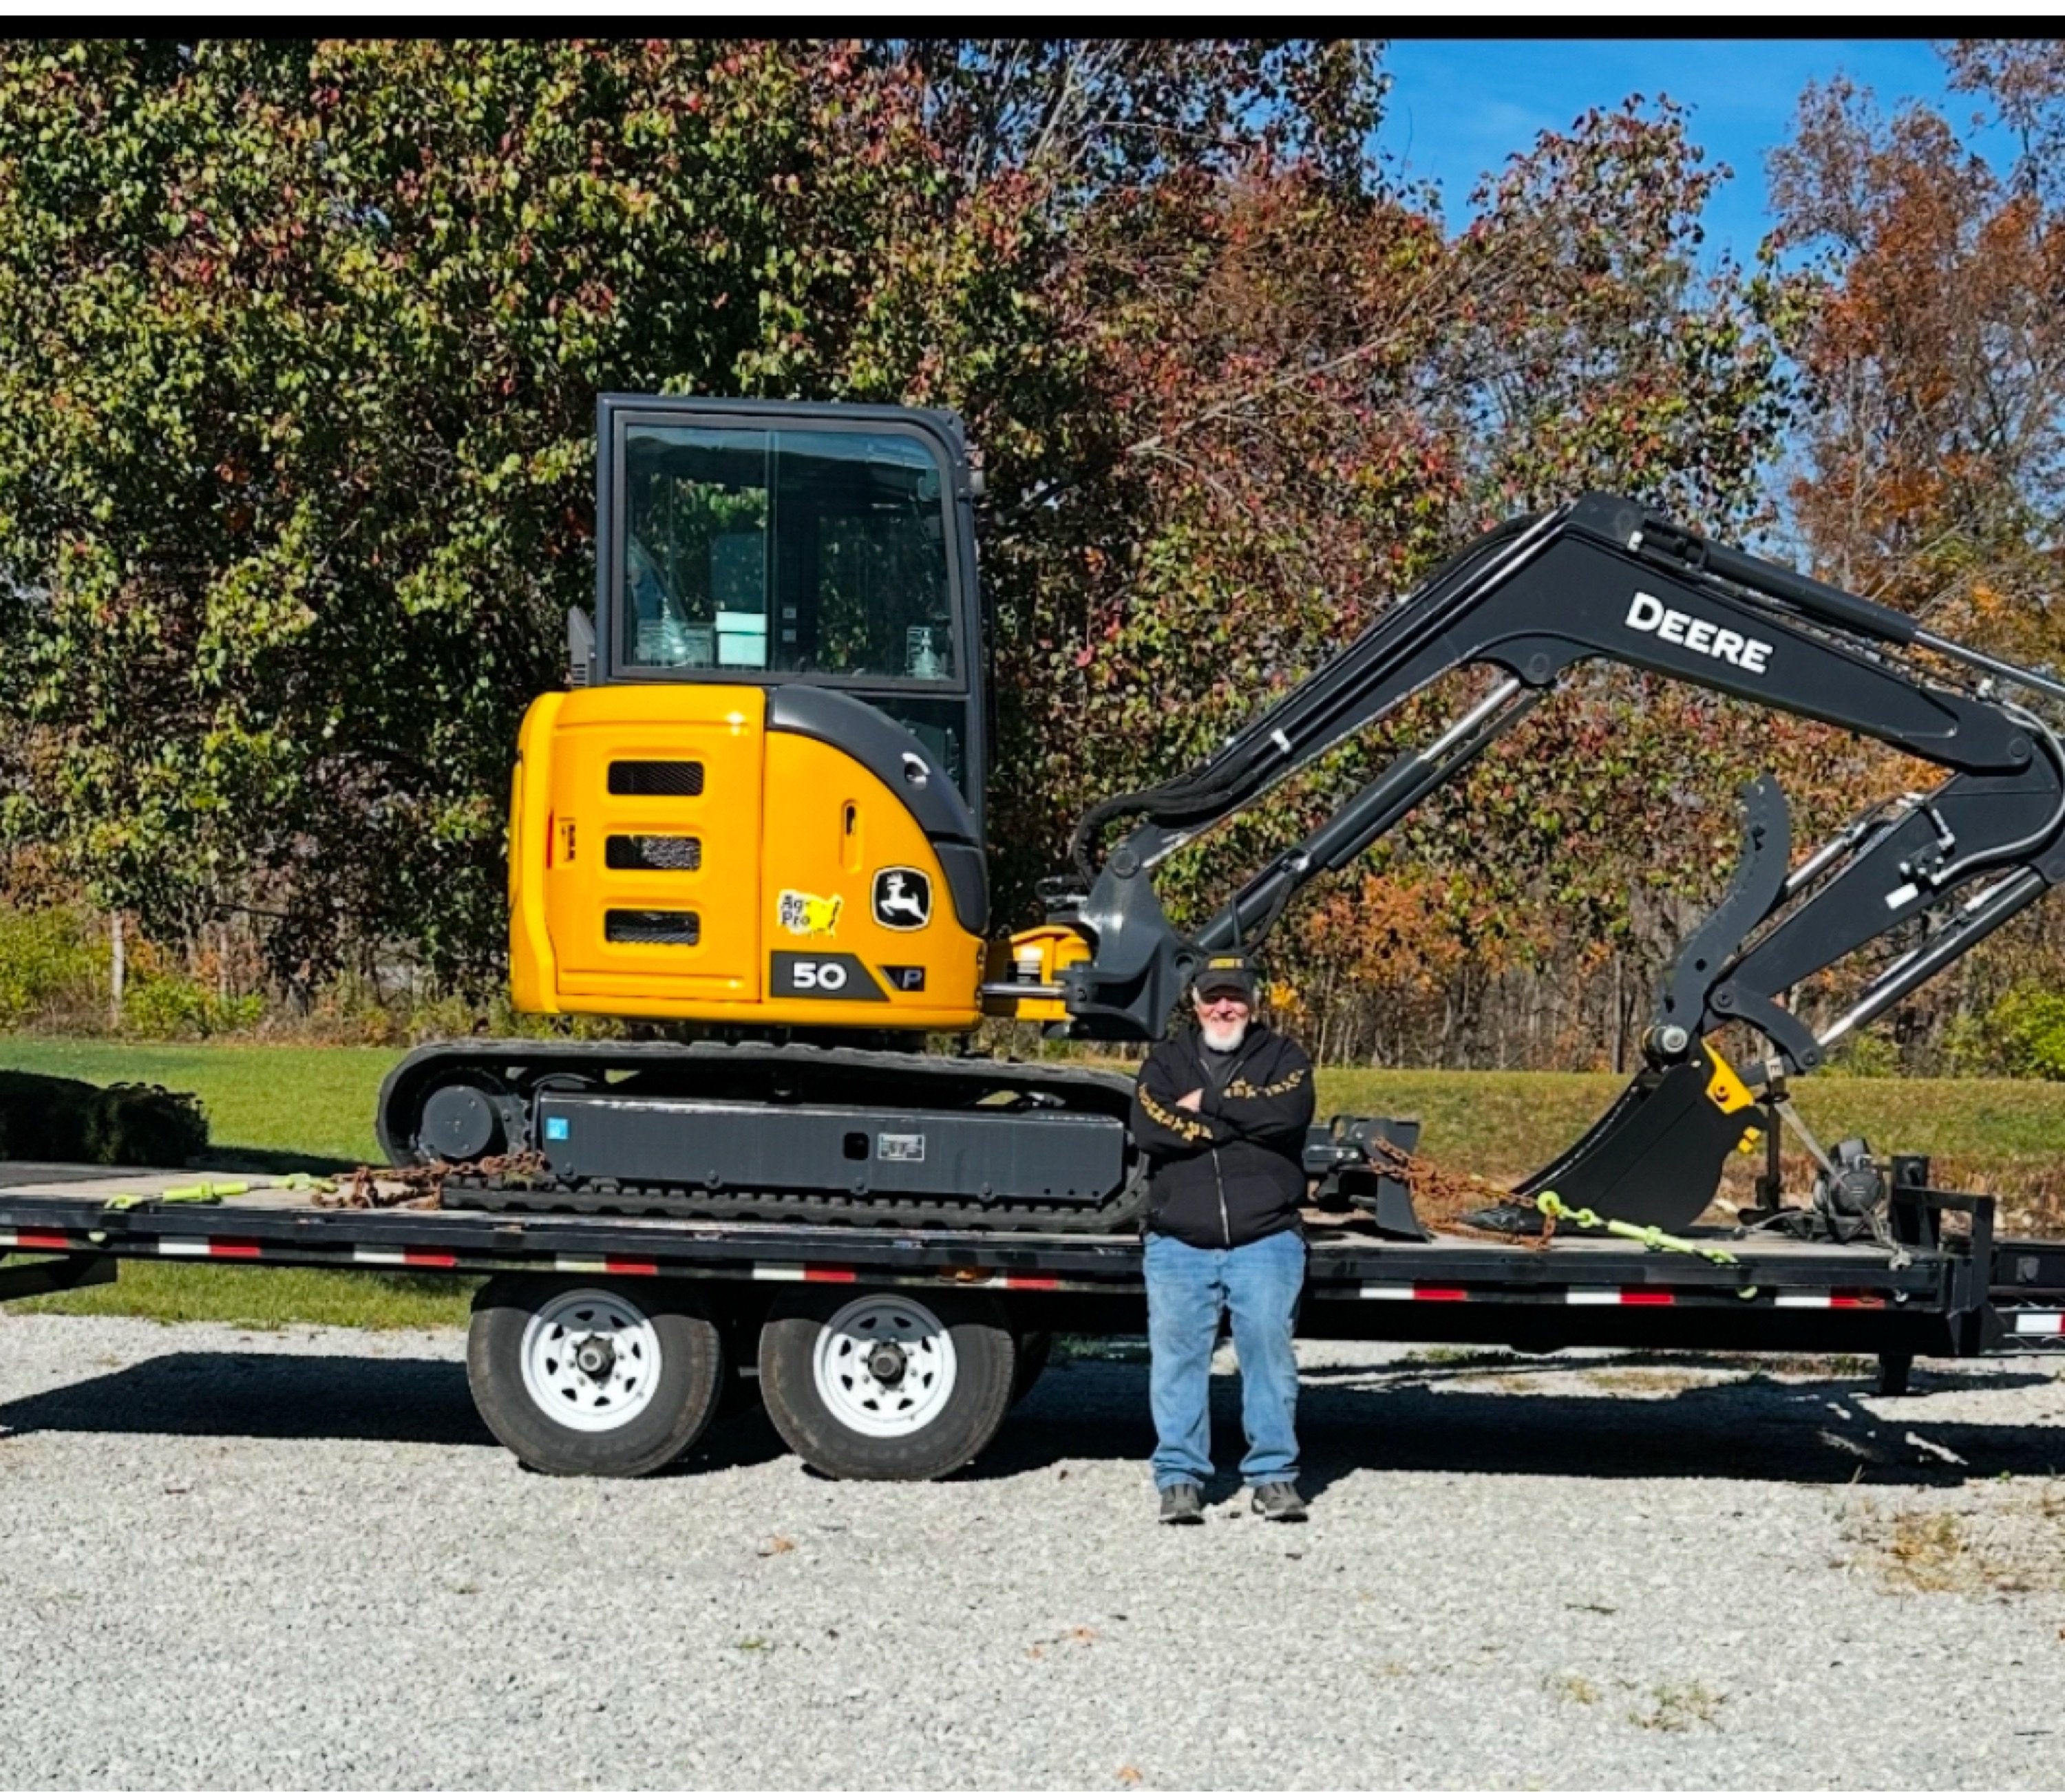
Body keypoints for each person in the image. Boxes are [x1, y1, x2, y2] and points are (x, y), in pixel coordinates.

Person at [1130, 950, 1317, 1524]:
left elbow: (1289, 1113)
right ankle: (1180, 1479)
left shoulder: (1283, 1057)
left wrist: (1209, 1104)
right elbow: (1149, 1127)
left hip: (1266, 1239)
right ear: (1195, 1002)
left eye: (1235, 996)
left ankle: (1274, 1476)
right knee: (1179, 1360)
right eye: (1213, 997)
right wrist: (1234, 1128)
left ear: (1253, 1002)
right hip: (1178, 1243)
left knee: (1268, 1355)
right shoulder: (1165, 1060)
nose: (1224, 1007)